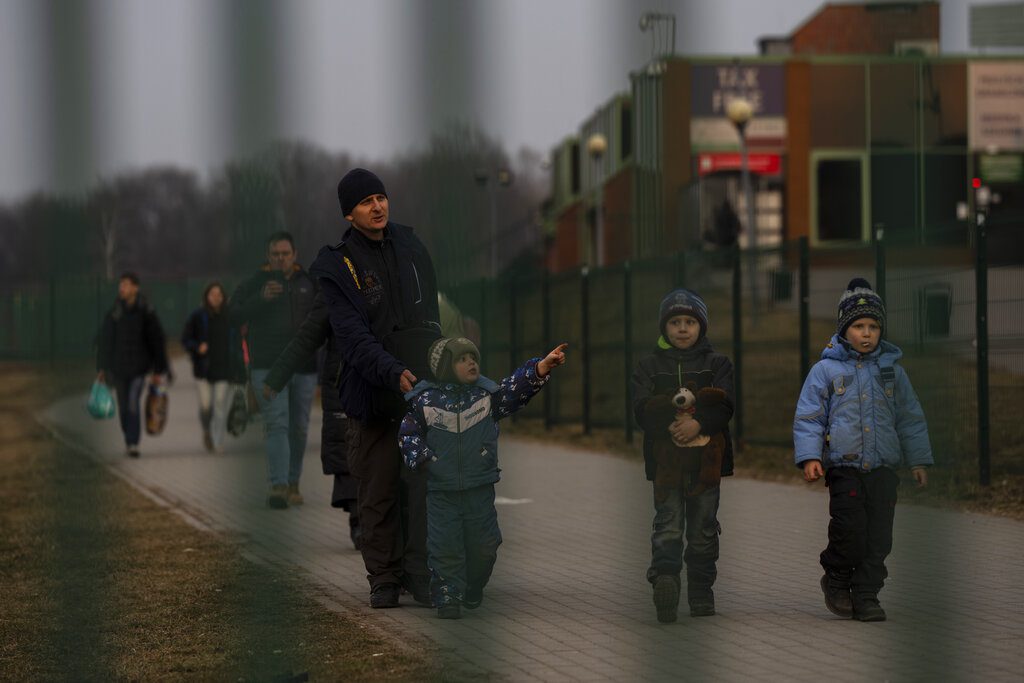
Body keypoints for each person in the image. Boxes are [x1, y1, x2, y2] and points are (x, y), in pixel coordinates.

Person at [309, 168, 440, 609]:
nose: (378, 206)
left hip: (419, 390)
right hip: (371, 394)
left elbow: (431, 314)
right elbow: (351, 336)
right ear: (349, 213)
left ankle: (419, 573)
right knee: (378, 490)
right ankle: (383, 577)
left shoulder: (411, 245)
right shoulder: (337, 265)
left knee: (419, 488)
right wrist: (391, 370)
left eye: (381, 197)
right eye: (366, 201)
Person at [794, 278, 932, 622]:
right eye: (858, 326)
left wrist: (918, 459)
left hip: (884, 468)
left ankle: (868, 594)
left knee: (879, 537)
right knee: (849, 529)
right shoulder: (825, 371)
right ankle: (838, 579)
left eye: (873, 326)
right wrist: (811, 457)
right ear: (844, 330)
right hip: (845, 467)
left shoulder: (893, 373)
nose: (867, 333)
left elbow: (910, 418)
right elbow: (810, 417)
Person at [399, 338, 567, 619]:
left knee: (485, 547)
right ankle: (448, 595)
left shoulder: (486, 396)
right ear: (444, 367)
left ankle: (473, 585)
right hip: (442, 491)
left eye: (473, 357)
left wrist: (540, 368)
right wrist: (425, 459)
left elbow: (515, 390)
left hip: (480, 487)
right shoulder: (424, 400)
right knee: (445, 546)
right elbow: (408, 434)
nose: (471, 363)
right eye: (462, 359)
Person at [631, 288, 734, 623]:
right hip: (667, 466)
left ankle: (702, 590)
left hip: (706, 466)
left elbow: (726, 406)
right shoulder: (648, 366)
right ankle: (666, 580)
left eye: (690, 321)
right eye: (675, 321)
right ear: (664, 327)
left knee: (703, 530)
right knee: (668, 526)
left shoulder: (717, 364)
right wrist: (676, 426)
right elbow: (641, 410)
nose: (683, 328)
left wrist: (699, 424)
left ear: (701, 326)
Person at [262, 291, 362, 548]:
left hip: (382, 379)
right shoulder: (333, 287)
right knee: (345, 450)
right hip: (341, 383)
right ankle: (358, 520)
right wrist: (278, 375)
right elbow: (307, 337)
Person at [230, 232, 319, 509]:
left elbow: (324, 320)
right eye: (275, 254)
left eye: (285, 254)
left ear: (295, 255)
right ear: (268, 256)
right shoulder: (253, 284)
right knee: (277, 424)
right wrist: (260, 298)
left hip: (303, 366)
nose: (281, 259)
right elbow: (233, 316)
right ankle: (278, 485)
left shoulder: (309, 283)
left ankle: (293, 483)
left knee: (300, 428)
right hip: (267, 367)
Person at [96, 272, 170, 458]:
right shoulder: (114, 312)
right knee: (123, 407)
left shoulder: (146, 312)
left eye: (126, 284)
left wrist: (158, 369)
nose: (122, 288)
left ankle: (133, 443)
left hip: (139, 368)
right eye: (121, 284)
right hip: (118, 368)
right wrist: (102, 368)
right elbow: (105, 341)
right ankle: (128, 437)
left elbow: (157, 340)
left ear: (136, 288)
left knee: (132, 402)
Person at [181, 282, 234, 453]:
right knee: (206, 406)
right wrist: (197, 347)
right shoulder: (198, 315)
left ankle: (217, 441)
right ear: (206, 297)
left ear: (223, 297)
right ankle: (206, 430)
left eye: (219, 294)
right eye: (212, 294)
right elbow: (185, 339)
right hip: (203, 369)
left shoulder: (230, 315)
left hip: (224, 369)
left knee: (220, 405)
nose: (216, 297)